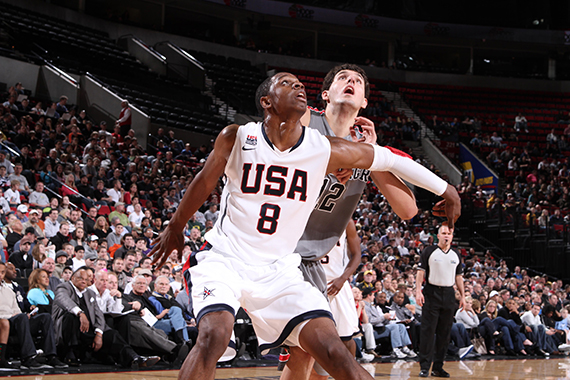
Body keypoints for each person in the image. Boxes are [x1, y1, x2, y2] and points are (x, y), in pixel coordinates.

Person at [150, 72, 461, 380]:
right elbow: (204, 180)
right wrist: (175, 226)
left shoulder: (321, 149)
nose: (298, 85)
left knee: (335, 351)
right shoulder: (238, 137)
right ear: (267, 102)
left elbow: (389, 160)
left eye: (300, 83)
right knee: (213, 336)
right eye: (286, 83)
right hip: (226, 259)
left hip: (280, 270)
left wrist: (446, 189)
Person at [52, 268, 160, 368]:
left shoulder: (89, 293)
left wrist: (99, 333)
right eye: (80, 278)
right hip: (68, 332)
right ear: (72, 278)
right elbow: (64, 300)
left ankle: (135, 358)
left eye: (86, 279)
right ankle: (70, 355)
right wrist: (80, 313)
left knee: (112, 334)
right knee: (71, 316)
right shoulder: (64, 287)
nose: (84, 281)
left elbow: (98, 314)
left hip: (88, 331)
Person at [416, 223, 464, 378]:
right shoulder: (429, 251)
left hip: (449, 293)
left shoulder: (456, 253)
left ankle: (438, 367)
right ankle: (424, 366)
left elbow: (459, 277)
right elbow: (420, 271)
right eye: (443, 233)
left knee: (444, 333)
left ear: (452, 236)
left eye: (449, 233)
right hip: (431, 292)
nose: (446, 235)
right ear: (438, 235)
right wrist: (418, 291)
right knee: (428, 332)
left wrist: (462, 296)